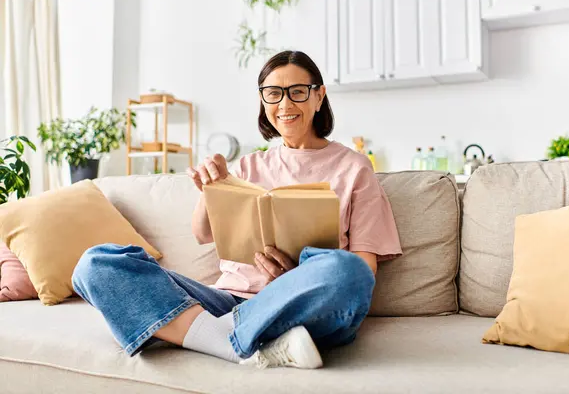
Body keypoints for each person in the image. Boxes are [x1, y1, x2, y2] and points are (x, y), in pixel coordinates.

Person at [72, 50, 402, 369]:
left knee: (349, 272)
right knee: (96, 265)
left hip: (301, 302)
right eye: (273, 93)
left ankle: (205, 334)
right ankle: (236, 343)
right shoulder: (247, 165)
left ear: (319, 97)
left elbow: (365, 268)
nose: (285, 104)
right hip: (227, 300)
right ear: (263, 101)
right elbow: (202, 233)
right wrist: (212, 189)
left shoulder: (355, 168)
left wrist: (295, 278)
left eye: (297, 92)